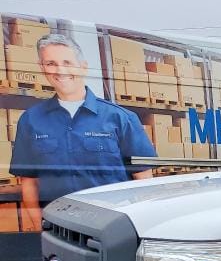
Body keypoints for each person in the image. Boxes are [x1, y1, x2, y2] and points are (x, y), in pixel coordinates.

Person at [10, 33, 156, 231]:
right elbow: (29, 183)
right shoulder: (31, 120)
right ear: (42, 68)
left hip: (110, 229)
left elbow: (144, 180)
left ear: (83, 66)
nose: (60, 70)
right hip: (57, 229)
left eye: (67, 62)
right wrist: (40, 228)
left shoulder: (120, 118)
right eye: (51, 63)